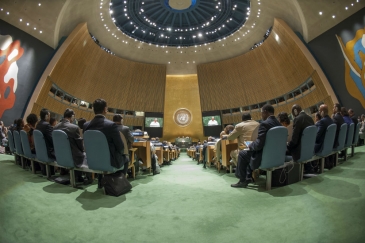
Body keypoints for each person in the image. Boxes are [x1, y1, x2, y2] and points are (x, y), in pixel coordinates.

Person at [231, 104, 282, 188]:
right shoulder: (279, 125)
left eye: (261, 113)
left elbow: (259, 144)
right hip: (276, 156)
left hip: (265, 156)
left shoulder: (264, 124)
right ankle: (248, 177)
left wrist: (251, 145)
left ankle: (242, 180)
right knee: (248, 153)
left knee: (243, 154)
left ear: (265, 112)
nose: (261, 115)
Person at [83, 99, 127, 187]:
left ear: (93, 109)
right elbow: (120, 146)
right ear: (105, 109)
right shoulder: (111, 125)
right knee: (126, 159)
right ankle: (116, 185)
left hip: (92, 161)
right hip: (109, 162)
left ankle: (101, 182)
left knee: (99, 154)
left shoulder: (86, 125)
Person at [54, 109, 89, 183]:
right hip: (73, 157)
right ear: (72, 117)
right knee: (84, 154)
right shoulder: (73, 128)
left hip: (60, 156)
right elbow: (79, 145)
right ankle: (83, 177)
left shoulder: (55, 127)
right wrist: (83, 150)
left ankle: (65, 172)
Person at [35, 108, 55, 175]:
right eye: (49, 115)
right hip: (48, 152)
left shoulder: (38, 125)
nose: (50, 117)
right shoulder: (47, 125)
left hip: (40, 151)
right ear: (46, 116)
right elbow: (52, 140)